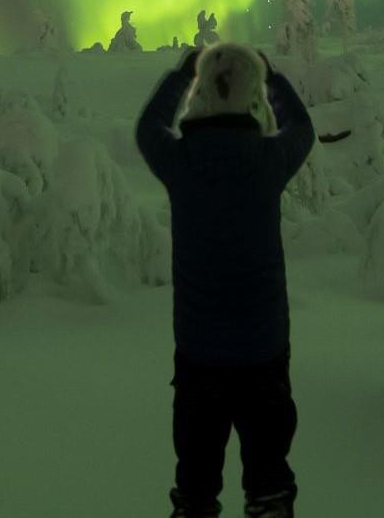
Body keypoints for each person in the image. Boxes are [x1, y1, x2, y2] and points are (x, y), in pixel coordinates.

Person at [135, 39, 314, 518]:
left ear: (201, 95)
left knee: (195, 489)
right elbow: (302, 128)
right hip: (265, 352)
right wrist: (273, 78)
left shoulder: (181, 162)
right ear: (251, 95)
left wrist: (180, 73)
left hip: (199, 357)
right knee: (269, 484)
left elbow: (148, 128)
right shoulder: (268, 160)